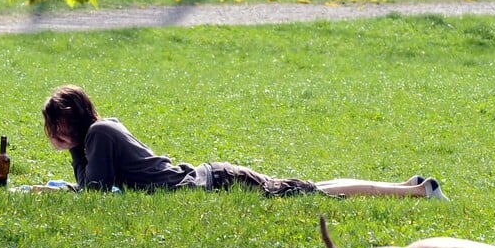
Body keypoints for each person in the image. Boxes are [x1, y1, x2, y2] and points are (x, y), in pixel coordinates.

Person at [39, 85, 448, 199]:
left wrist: (56, 188)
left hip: (214, 181)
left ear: (74, 118)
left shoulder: (98, 134)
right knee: (311, 189)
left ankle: (416, 191)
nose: (55, 134)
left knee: (313, 192)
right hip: (211, 179)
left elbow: (95, 193)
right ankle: (411, 187)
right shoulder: (95, 136)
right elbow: (97, 187)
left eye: (58, 125)